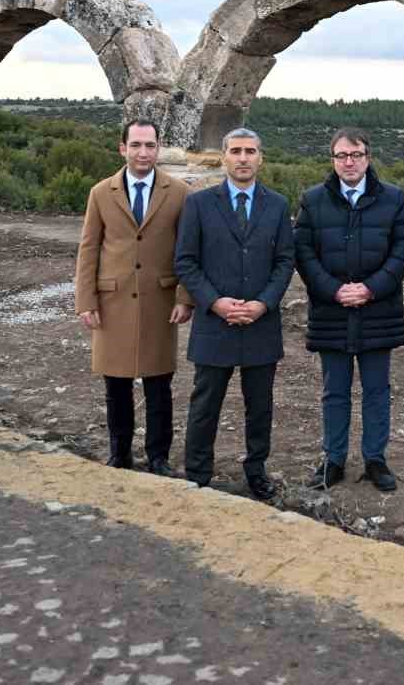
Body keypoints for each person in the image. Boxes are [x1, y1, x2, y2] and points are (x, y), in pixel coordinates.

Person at [174, 127, 295, 500]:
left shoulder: (277, 205)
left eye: (251, 151)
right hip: (215, 321)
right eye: (236, 151)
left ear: (261, 158)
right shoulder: (198, 204)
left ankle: (256, 471)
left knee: (259, 405)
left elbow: (285, 261)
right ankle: (197, 472)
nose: (243, 158)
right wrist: (215, 302)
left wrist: (262, 303)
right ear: (224, 157)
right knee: (205, 401)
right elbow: (186, 261)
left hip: (261, 322)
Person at [293, 127, 404, 493]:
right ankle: (333, 460)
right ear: (332, 160)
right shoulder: (313, 200)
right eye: (342, 155)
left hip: (378, 310)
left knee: (377, 389)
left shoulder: (393, 199)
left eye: (356, 154)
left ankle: (375, 460)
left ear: (368, 157)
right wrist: (334, 290)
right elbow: (304, 252)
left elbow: (403, 248)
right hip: (332, 312)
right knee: (335, 390)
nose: (349, 162)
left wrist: (371, 288)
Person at [74, 118, 192, 476]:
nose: (144, 152)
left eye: (150, 145)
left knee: (159, 385)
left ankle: (158, 458)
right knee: (117, 385)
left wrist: (185, 297)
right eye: (136, 145)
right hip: (113, 302)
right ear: (122, 148)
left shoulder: (180, 193)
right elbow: (88, 249)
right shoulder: (100, 193)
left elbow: (188, 250)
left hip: (160, 302)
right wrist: (86, 301)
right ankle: (119, 454)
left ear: (158, 148)